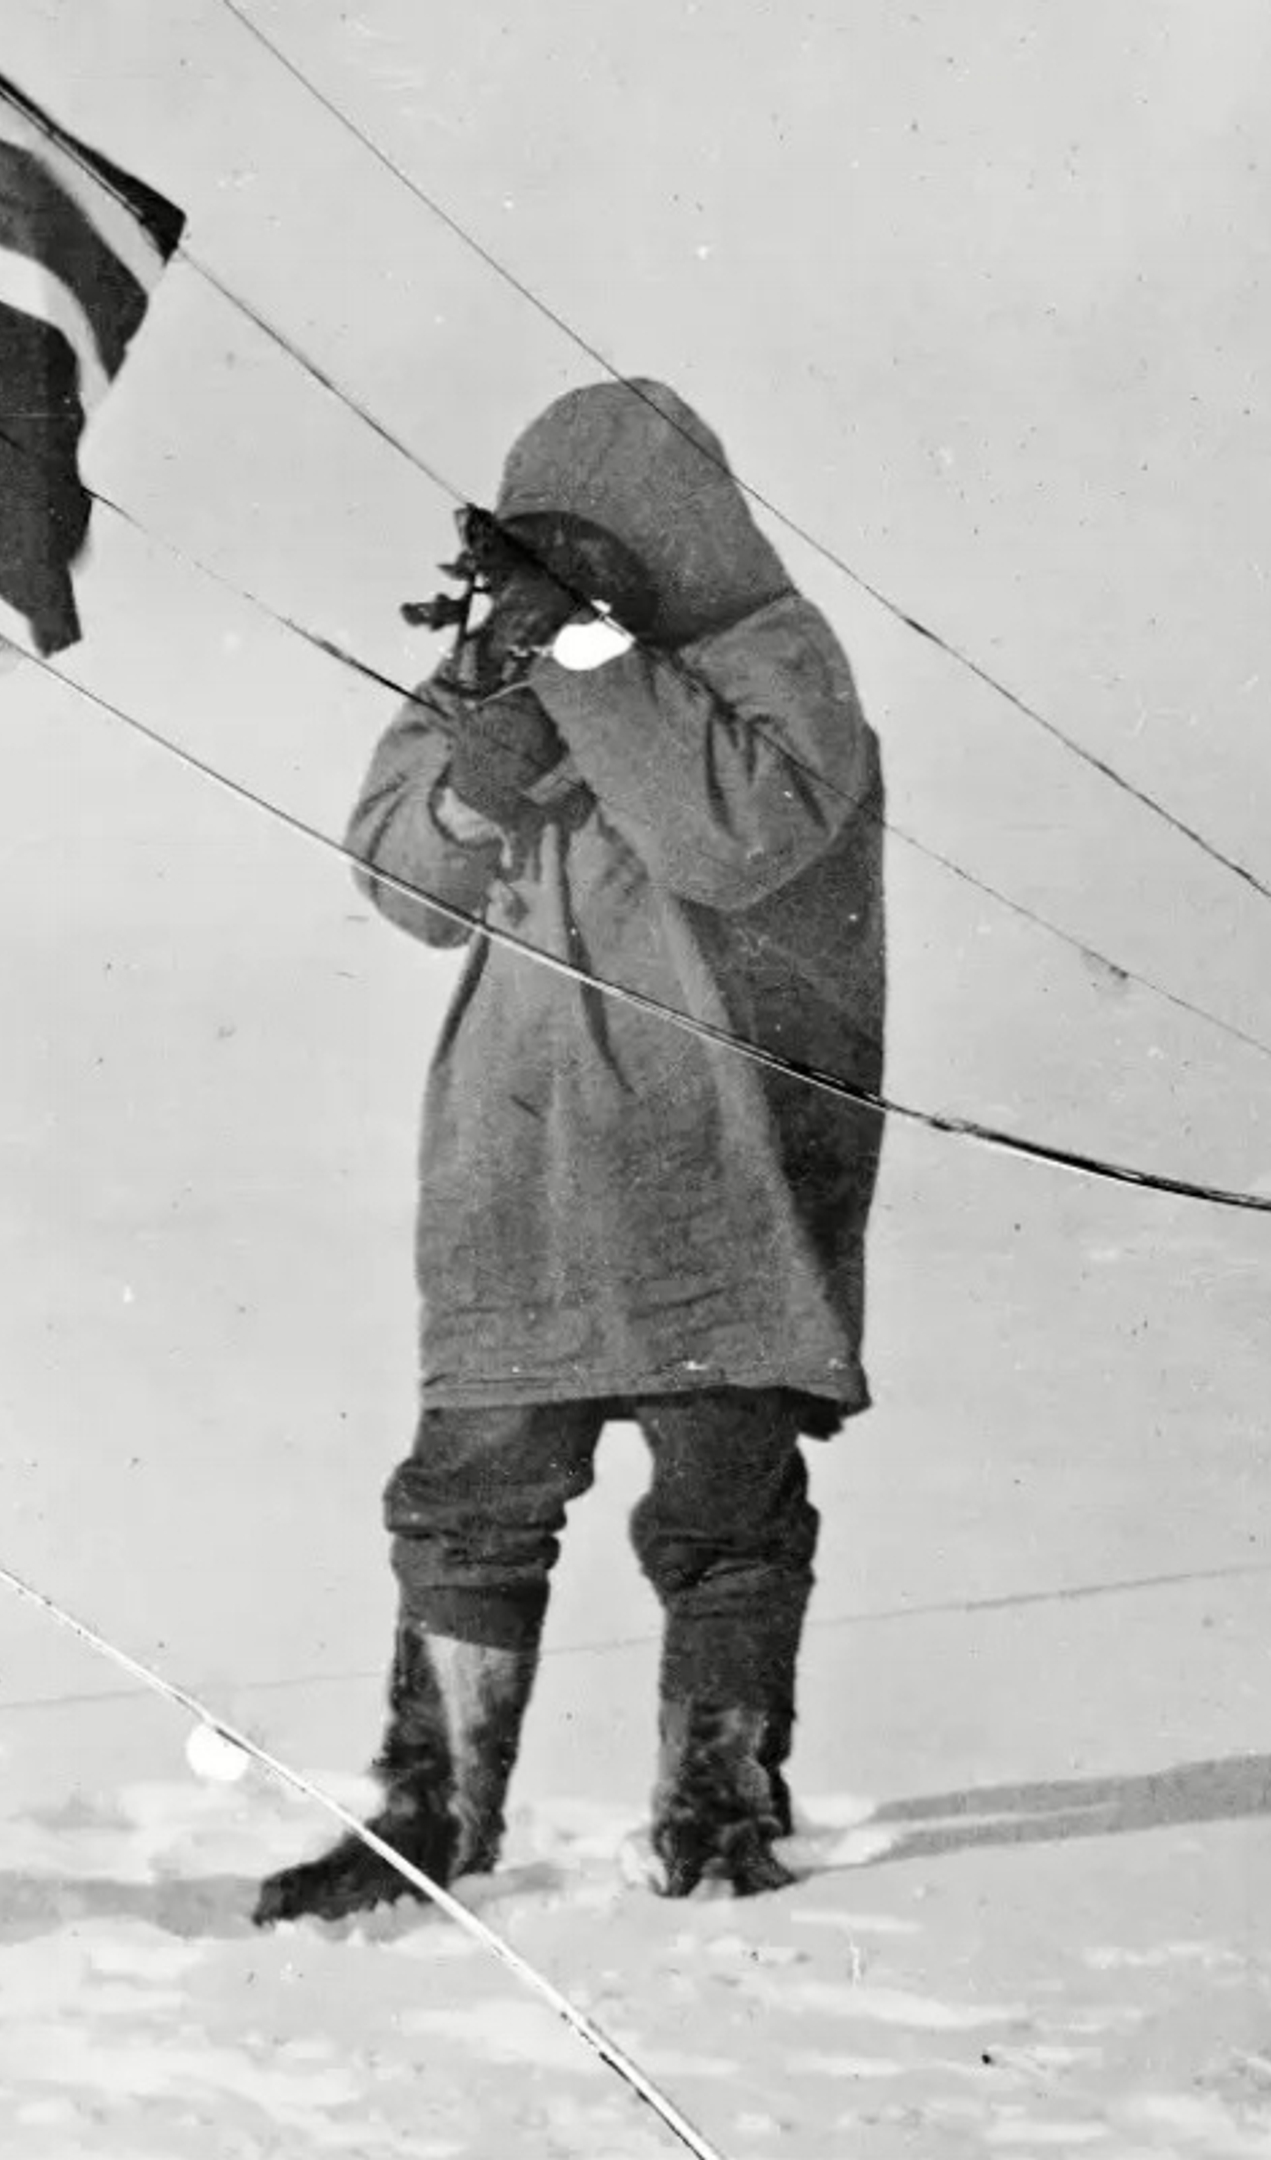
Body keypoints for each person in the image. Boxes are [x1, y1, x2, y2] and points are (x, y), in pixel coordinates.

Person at [256, 379, 887, 1925]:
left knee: (726, 1498)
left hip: (717, 1144)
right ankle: (432, 1817)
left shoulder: (774, 663)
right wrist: (478, 777)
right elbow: (401, 886)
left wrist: (583, 667)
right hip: (520, 1150)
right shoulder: (500, 666)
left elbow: (733, 835)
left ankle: (720, 1810)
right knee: (471, 1493)